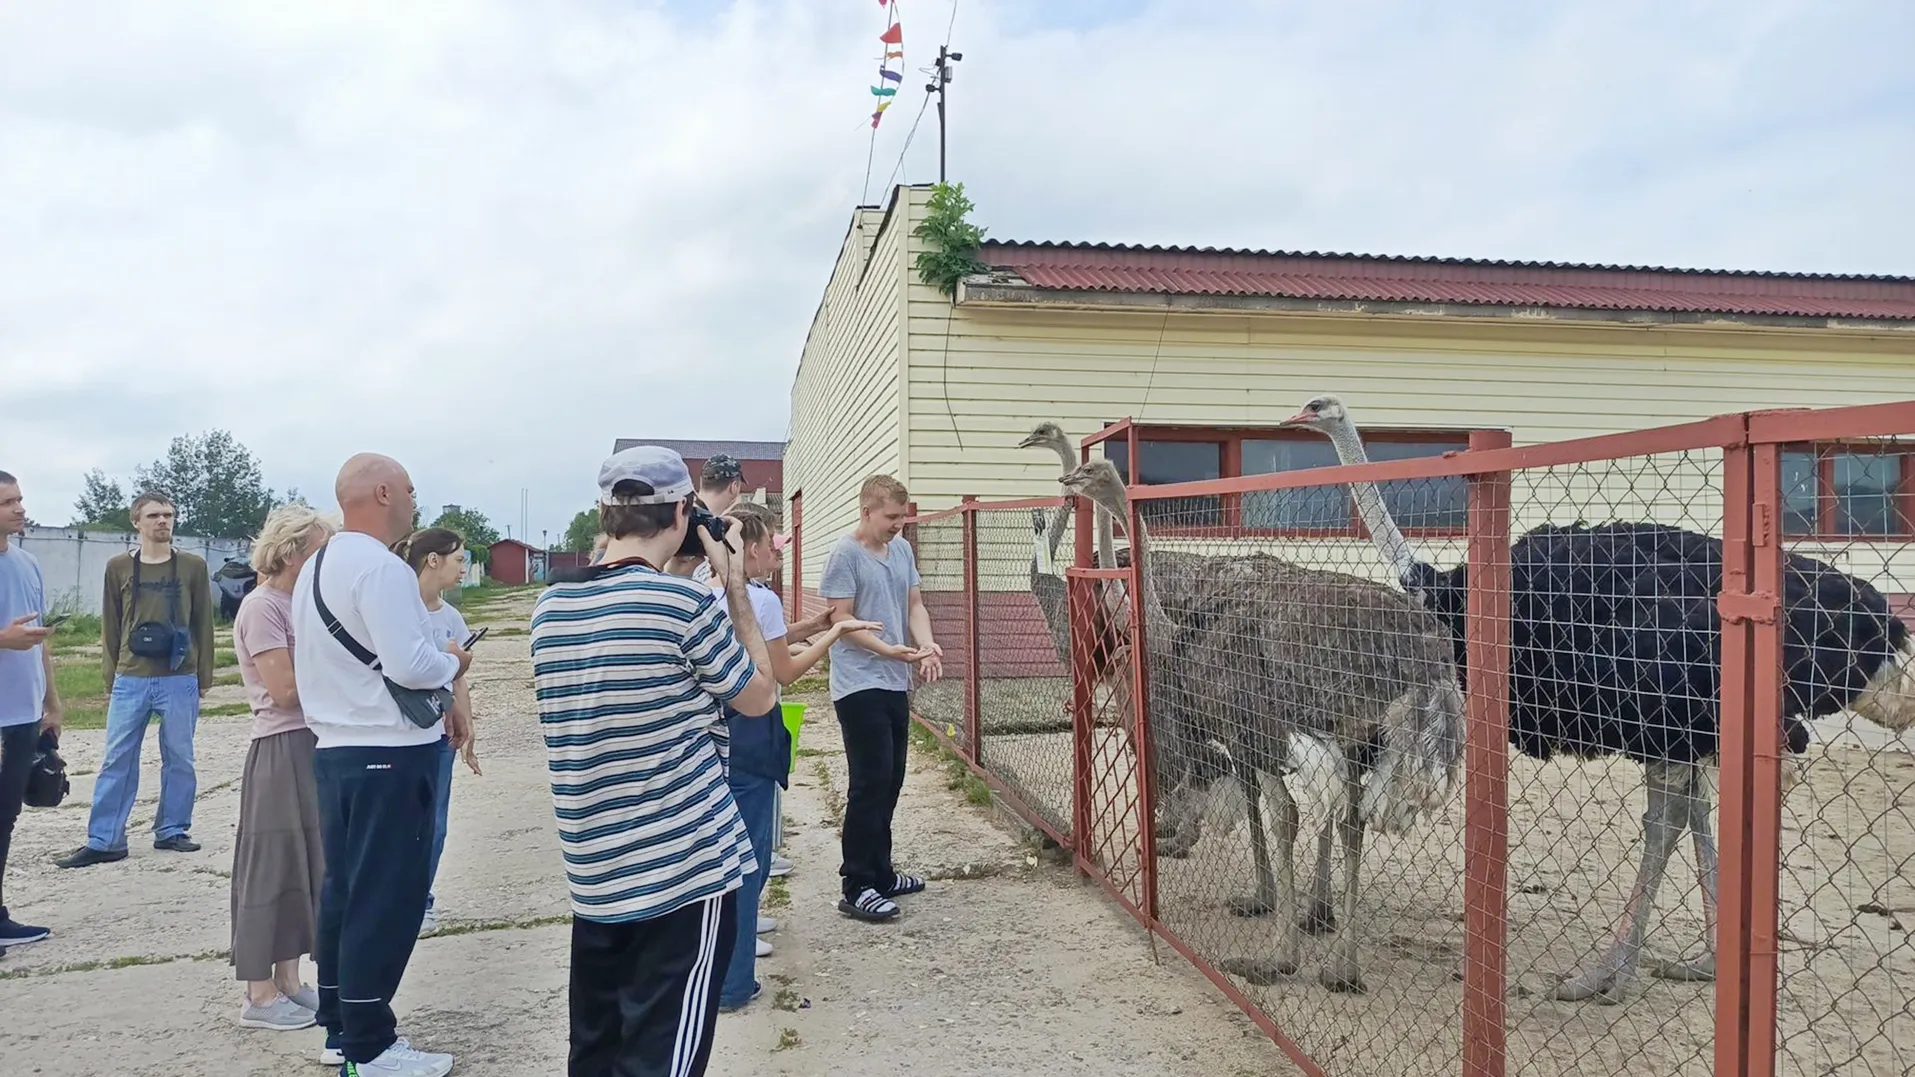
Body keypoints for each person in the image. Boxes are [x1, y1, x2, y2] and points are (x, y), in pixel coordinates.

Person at [532, 445, 778, 1077]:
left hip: (596, 873)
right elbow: (760, 696)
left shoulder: (549, 610)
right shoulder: (681, 605)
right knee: (664, 1057)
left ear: (604, 513)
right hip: (685, 871)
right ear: (682, 511)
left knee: (597, 1050)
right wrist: (735, 588)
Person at [293, 454, 471, 1077]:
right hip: (389, 753)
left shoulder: (318, 565)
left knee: (345, 891)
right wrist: (453, 662)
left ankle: (341, 1028)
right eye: (411, 491)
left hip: (336, 749)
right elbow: (411, 665)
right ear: (384, 493)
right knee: (387, 899)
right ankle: (371, 1046)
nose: (416, 502)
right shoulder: (382, 567)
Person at [712, 501, 879, 1012]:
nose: (778, 552)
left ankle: (724, 958)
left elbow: (768, 641)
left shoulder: (707, 587)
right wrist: (835, 633)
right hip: (753, 730)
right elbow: (784, 670)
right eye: (772, 543)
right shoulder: (758, 599)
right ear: (751, 548)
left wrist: (813, 623)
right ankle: (735, 982)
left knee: (725, 852)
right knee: (750, 855)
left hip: (717, 731)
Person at [59, 490, 215, 868]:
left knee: (180, 757)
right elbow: (111, 622)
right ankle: (105, 839)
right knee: (117, 758)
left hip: (179, 674)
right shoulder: (118, 567)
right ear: (136, 522)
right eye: (154, 515)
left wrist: (204, 674)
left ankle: (172, 829)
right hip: (131, 676)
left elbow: (203, 622)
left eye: (168, 515)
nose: (163, 521)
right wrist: (110, 673)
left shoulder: (193, 566)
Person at [229, 504, 335, 1032]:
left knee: (303, 864)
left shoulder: (301, 603)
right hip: (280, 745)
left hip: (311, 741)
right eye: (320, 550)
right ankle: (259, 992)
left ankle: (289, 979)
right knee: (270, 867)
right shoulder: (262, 607)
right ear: (293, 553)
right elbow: (285, 690)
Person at [819, 474, 943, 923]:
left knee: (891, 780)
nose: (897, 525)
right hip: (859, 682)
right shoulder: (845, 554)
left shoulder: (902, 550)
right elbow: (841, 621)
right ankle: (856, 884)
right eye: (891, 517)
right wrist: (888, 649)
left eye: (902, 518)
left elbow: (914, 605)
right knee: (869, 783)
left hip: (894, 681)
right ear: (867, 511)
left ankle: (882, 873)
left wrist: (926, 645)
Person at [392, 527, 481, 937]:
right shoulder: (397, 609)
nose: (464, 568)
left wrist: (467, 722)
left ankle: (420, 900)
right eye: (459, 559)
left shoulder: (451, 617)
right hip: (400, 730)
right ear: (432, 560)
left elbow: (458, 677)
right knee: (399, 822)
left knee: (435, 823)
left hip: (440, 732)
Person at [0, 470, 59, 949]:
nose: (19, 509)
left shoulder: (27, 563)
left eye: (19, 499)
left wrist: (51, 701)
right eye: (6, 503)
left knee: (6, 816)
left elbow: (39, 642)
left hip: (22, 713)